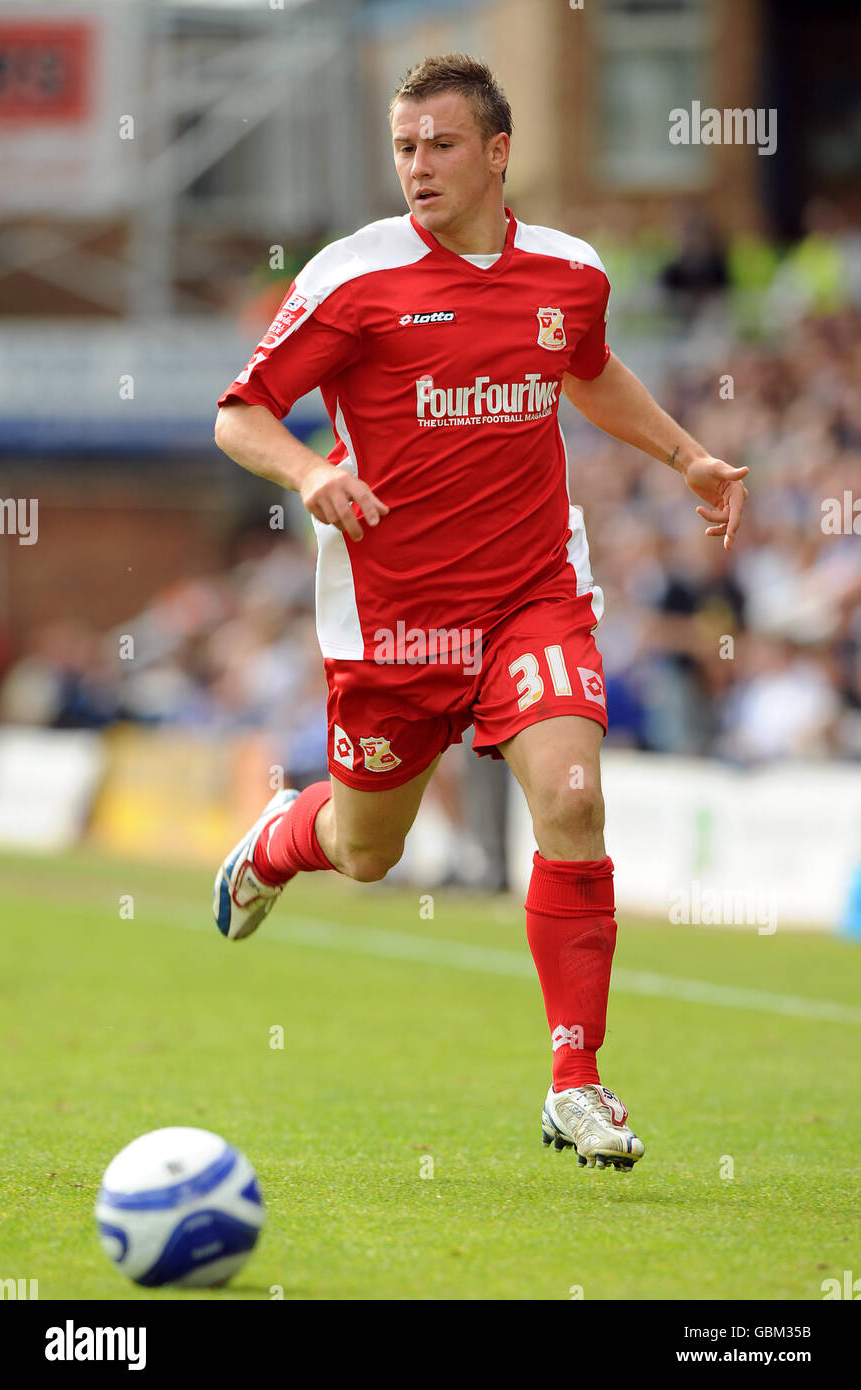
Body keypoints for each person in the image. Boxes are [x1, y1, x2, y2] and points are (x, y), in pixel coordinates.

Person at [212, 54, 749, 1173]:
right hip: (394, 617)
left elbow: (586, 370)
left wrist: (685, 453)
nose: (416, 166)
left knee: (572, 791)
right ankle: (276, 840)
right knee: (367, 850)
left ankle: (575, 1080)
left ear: (497, 153)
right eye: (404, 147)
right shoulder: (349, 279)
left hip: (528, 596)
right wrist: (310, 474)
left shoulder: (567, 273)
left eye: (440, 145)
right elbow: (241, 414)